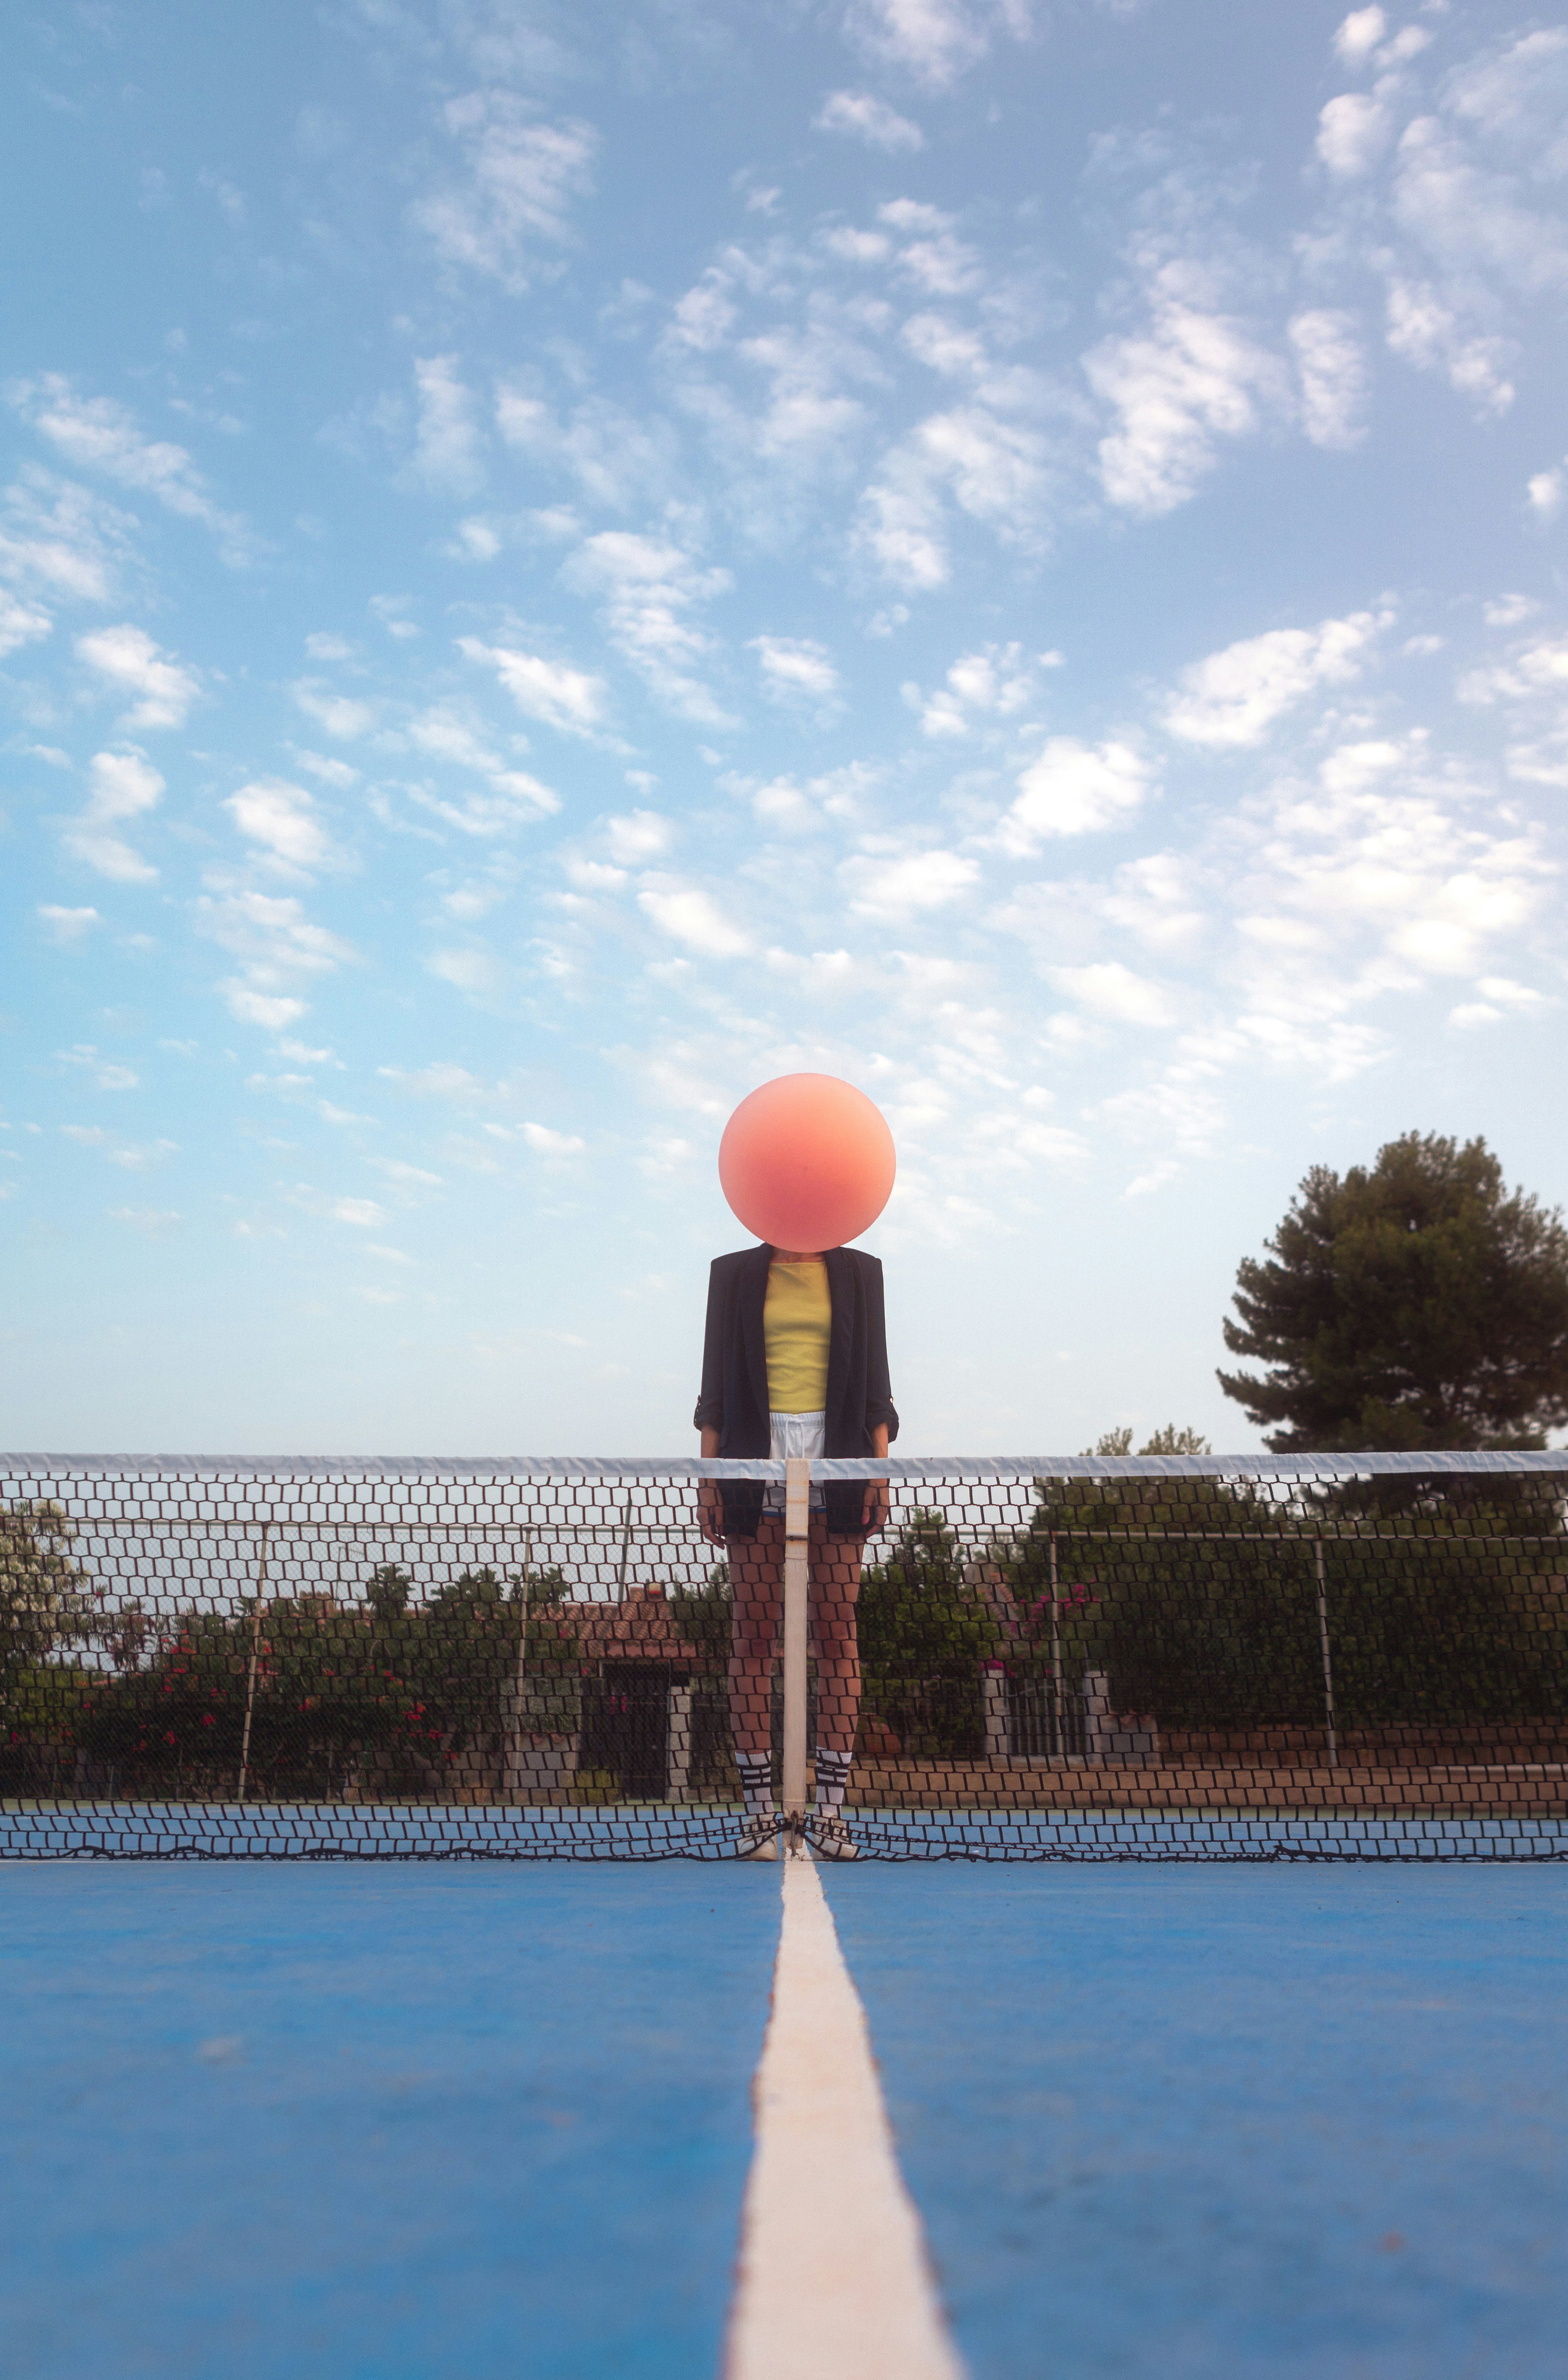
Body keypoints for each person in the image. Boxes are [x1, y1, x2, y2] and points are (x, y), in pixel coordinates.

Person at [694, 1239, 896, 1858]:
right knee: (753, 1637)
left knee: (837, 1634)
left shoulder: (862, 1272)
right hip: (751, 1463)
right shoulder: (732, 1273)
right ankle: (760, 1815)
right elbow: (714, 1393)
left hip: (840, 1461)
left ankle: (829, 1814)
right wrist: (708, 1478)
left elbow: (877, 1389)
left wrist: (880, 1470)